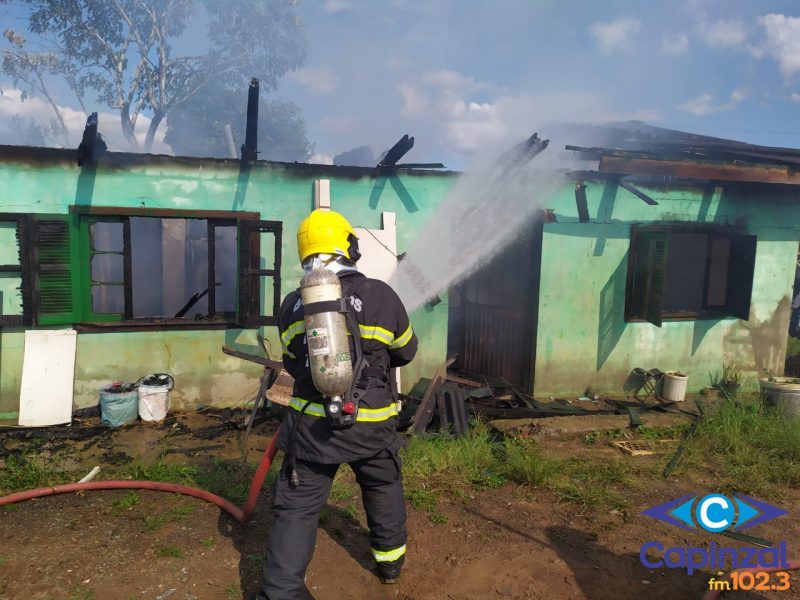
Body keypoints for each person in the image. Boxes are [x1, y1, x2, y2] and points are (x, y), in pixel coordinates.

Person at [255, 209, 418, 600]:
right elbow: (406, 351)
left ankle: (280, 592)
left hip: (311, 430)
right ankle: (389, 563)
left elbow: (294, 363)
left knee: (297, 508)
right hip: (371, 423)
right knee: (381, 483)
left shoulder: (294, 305)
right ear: (348, 246)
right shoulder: (380, 294)